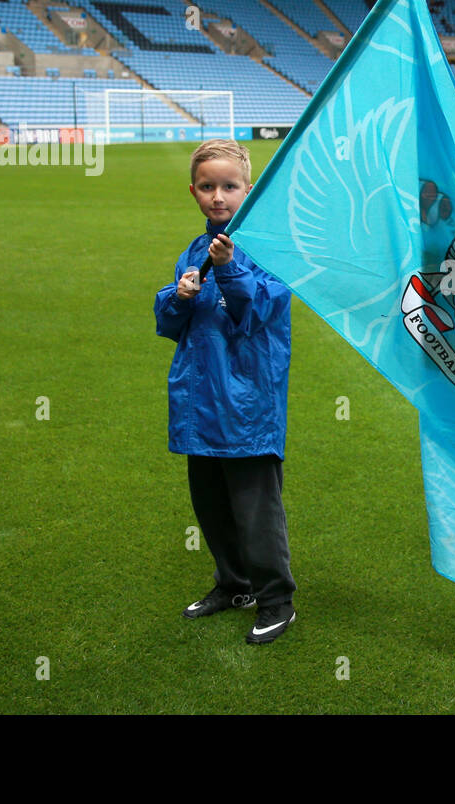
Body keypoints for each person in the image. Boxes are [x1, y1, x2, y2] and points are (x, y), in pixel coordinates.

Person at [153, 139, 296, 645]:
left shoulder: (270, 249)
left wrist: (231, 267)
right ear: (193, 191)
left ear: (249, 190)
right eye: (208, 187)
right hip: (199, 401)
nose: (219, 196)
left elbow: (257, 312)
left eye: (230, 186)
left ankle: (276, 598)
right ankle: (233, 585)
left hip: (247, 404)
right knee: (211, 504)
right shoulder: (194, 250)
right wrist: (179, 296)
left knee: (255, 509)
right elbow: (169, 324)